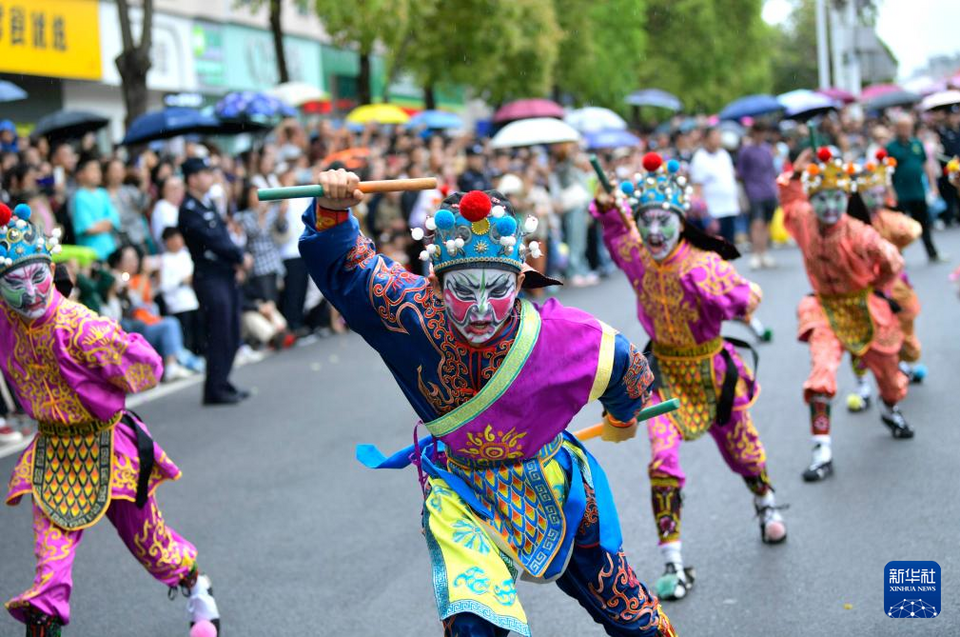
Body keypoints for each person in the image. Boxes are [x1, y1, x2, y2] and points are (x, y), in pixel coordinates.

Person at [300, 169, 677, 637]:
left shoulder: (564, 338)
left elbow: (627, 368)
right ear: (436, 285)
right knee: (475, 626)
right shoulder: (407, 313)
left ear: (520, 281)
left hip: (554, 485)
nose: (481, 309)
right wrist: (334, 209)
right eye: (463, 290)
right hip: (461, 493)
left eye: (497, 290)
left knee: (630, 614)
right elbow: (347, 269)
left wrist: (622, 416)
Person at [0, 202, 219, 637]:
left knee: (153, 548)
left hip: (109, 449)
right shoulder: (8, 321)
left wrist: (103, 363)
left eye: (38, 276)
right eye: (13, 282)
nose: (29, 293)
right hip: (53, 457)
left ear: (50, 270)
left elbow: (148, 366)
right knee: (50, 574)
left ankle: (199, 593)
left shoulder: (79, 327)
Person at [592, 152, 786, 602]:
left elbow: (749, 297)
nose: (654, 231)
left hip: (713, 375)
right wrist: (605, 206)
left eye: (664, 220)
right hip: (663, 375)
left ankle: (765, 500)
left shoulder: (703, 263)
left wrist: (724, 299)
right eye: (647, 221)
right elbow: (617, 231)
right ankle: (673, 562)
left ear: (681, 220)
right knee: (662, 461)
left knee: (744, 453)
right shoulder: (639, 256)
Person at [779, 147, 912, 484]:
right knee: (821, 374)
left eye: (837, 198)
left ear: (846, 197)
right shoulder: (804, 219)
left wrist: (875, 286)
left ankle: (890, 408)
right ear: (813, 198)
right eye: (821, 198)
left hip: (864, 306)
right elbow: (788, 195)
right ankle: (821, 450)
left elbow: (894, 260)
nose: (829, 207)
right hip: (824, 309)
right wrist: (798, 169)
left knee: (889, 376)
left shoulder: (858, 232)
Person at [844, 151, 926, 413]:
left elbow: (912, 229)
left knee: (902, 337)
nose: (876, 198)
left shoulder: (888, 220)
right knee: (858, 343)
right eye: (871, 192)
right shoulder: (848, 225)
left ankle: (899, 367)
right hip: (856, 293)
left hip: (891, 289)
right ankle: (863, 386)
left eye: (880, 192)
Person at [178, 157, 250, 406]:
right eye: (205, 174)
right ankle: (214, 388)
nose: (210, 178)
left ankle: (223, 380)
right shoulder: (188, 209)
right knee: (219, 331)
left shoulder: (206, 204)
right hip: (209, 276)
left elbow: (222, 235)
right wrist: (239, 256)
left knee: (231, 329)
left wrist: (236, 260)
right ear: (193, 179)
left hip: (224, 273)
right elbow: (212, 240)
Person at [885, 115, 943, 263]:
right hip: (901, 193)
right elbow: (886, 172)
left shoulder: (917, 144)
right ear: (897, 129)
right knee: (899, 228)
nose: (905, 130)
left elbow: (926, 165)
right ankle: (898, 258)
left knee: (924, 224)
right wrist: (890, 191)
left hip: (918, 191)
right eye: (902, 127)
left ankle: (932, 253)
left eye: (908, 127)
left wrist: (933, 185)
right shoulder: (890, 147)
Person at [736, 124, 779, 269]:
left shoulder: (768, 149)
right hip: (754, 191)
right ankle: (756, 253)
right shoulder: (746, 151)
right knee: (756, 223)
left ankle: (764, 252)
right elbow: (740, 173)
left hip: (769, 190)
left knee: (766, 223)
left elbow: (773, 170)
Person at [689, 128, 740, 244]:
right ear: (706, 139)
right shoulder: (700, 158)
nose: (718, 139)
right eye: (714, 136)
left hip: (729, 207)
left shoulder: (724, 154)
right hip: (713, 210)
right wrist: (703, 213)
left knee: (729, 244)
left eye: (719, 136)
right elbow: (698, 187)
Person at [158, 227, 202, 356]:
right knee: (186, 337)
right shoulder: (164, 260)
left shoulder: (187, 254)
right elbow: (164, 286)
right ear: (168, 241)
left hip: (194, 300)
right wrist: (182, 281)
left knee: (198, 334)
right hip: (177, 305)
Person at [71, 155, 120, 261]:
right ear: (81, 174)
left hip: (110, 248)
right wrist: (106, 224)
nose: (97, 173)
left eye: (98, 170)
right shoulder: (79, 197)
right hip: (91, 253)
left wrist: (100, 225)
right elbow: (87, 228)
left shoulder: (103, 193)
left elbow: (115, 219)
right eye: (92, 170)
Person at [151, 176, 185, 248]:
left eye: (180, 188)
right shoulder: (162, 207)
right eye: (174, 188)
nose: (178, 191)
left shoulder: (180, 206)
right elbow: (170, 239)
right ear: (163, 191)